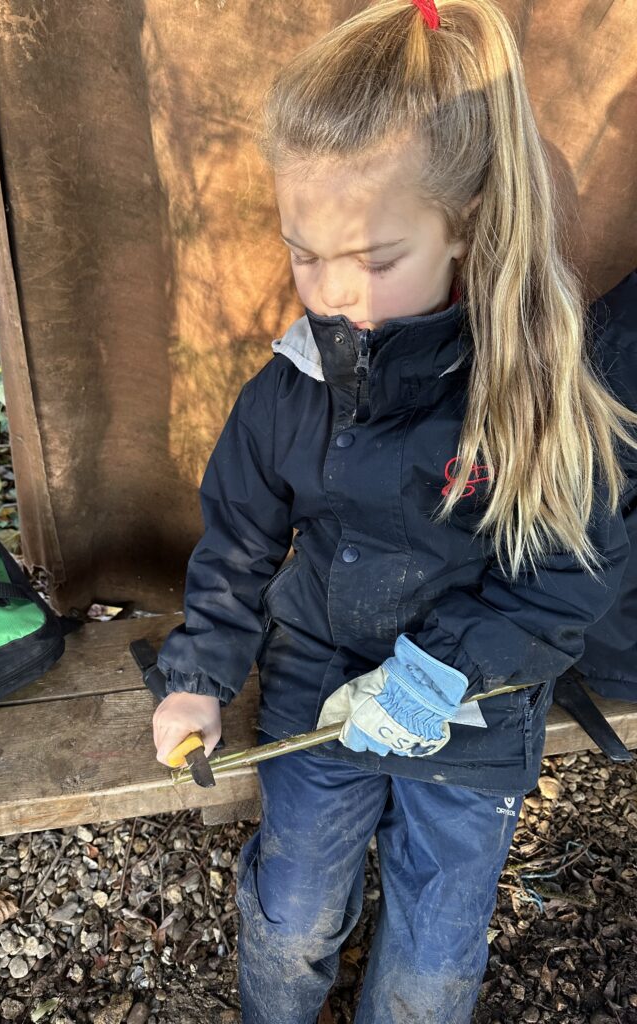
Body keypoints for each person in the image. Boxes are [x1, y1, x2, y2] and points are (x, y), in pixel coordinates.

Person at [151, 1, 637, 1021]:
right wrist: (198, 675)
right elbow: (240, 539)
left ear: (461, 226)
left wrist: (440, 671)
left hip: (471, 716)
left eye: (374, 261)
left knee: (432, 954)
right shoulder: (290, 386)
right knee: (288, 915)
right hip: (317, 690)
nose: (332, 295)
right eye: (303, 253)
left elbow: (570, 579)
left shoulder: (537, 389)